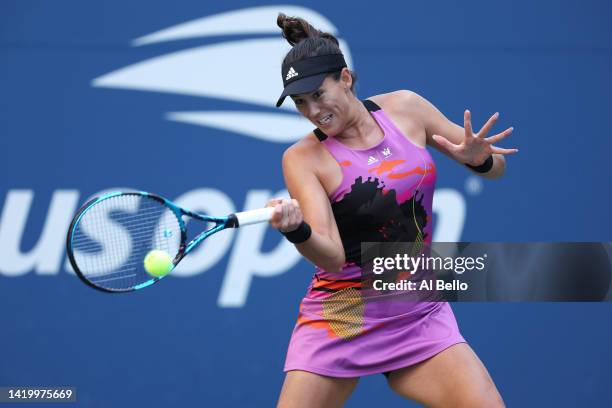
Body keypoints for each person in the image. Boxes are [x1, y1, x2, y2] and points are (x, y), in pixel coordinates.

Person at [268, 13, 516, 408]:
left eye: (319, 94)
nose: (313, 110)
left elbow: (496, 168)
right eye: (301, 103)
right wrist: (296, 231)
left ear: (345, 79)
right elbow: (331, 257)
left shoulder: (407, 108)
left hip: (415, 304)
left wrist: (480, 160)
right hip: (344, 308)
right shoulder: (301, 158)